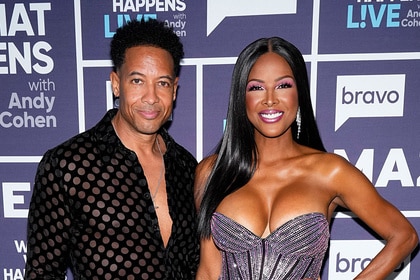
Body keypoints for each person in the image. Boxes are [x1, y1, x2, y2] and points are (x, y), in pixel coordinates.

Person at [194, 37, 418, 279]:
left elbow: (404, 235)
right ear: (241, 98)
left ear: (299, 92)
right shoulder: (212, 172)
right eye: (256, 87)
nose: (270, 99)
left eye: (283, 86)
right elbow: (208, 271)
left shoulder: (330, 171)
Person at [25, 19, 199, 279]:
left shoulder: (188, 167)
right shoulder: (67, 165)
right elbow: (42, 272)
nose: (151, 97)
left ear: (174, 90)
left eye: (162, 83)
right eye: (138, 81)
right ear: (116, 84)